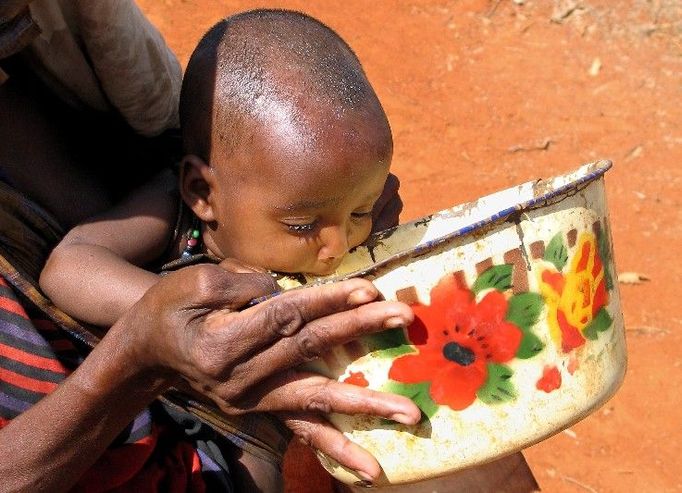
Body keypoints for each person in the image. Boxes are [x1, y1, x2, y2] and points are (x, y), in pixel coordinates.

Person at [0, 3, 419, 492]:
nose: (338, 243)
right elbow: (70, 266)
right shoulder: (172, 212)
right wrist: (179, 321)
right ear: (203, 193)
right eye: (304, 224)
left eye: (359, 211)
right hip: (206, 426)